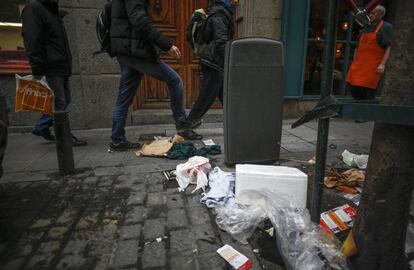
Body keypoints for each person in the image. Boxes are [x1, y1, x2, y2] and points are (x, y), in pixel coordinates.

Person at [109, 0, 192, 151]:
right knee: (175, 80)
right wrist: (167, 45)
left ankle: (117, 139)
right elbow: (140, 21)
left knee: (124, 97)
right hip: (136, 51)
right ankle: (181, 123)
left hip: (126, 50)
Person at [21, 0, 87, 146]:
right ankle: (63, 137)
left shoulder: (51, 11)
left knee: (65, 100)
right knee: (60, 102)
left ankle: (42, 126)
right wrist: (37, 67)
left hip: (60, 64)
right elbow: (32, 39)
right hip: (50, 65)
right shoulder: (34, 8)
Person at [183, 0, 236, 131]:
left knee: (226, 95)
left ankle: (237, 122)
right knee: (207, 96)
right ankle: (187, 126)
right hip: (214, 62)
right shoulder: (219, 14)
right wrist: (231, 61)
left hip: (215, 61)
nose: (236, 1)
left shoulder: (220, 12)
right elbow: (221, 41)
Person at [346, 5, 393, 100]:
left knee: (367, 90)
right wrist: (354, 61)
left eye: (373, 13)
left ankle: (367, 110)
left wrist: (382, 64)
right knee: (353, 87)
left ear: (381, 15)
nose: (370, 15)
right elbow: (357, 46)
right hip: (358, 64)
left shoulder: (386, 27)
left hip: (373, 65)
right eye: (370, 13)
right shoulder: (366, 26)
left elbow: (388, 47)